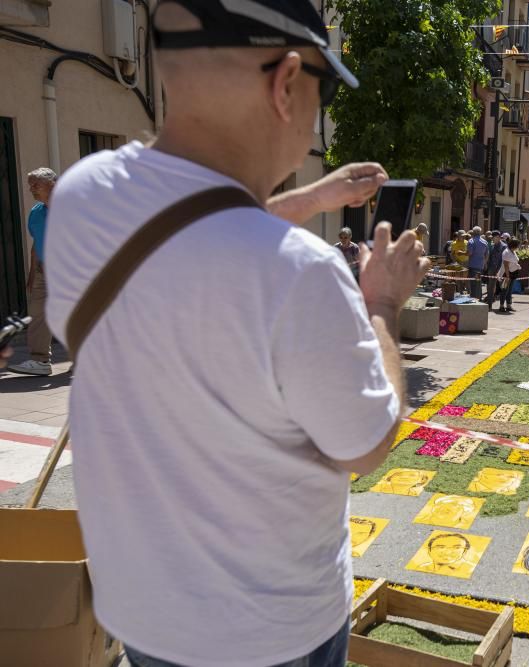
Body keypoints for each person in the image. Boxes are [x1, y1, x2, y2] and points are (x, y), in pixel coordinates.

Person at [43, 2, 430, 666]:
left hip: (145, 619)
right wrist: (383, 306)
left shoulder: (82, 197)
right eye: (323, 88)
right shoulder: (299, 273)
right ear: (285, 83)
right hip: (271, 632)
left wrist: (310, 200)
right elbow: (367, 443)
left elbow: (196, 239)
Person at [8, 167, 57, 376]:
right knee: (37, 314)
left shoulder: (72, 207)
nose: (31, 188)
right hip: (41, 273)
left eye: (35, 184)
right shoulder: (36, 212)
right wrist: (31, 273)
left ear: (52, 184)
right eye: (30, 184)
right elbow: (36, 243)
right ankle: (40, 360)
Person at [496, 238, 520, 313]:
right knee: (504, 290)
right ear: (514, 245)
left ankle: (509, 305)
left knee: (509, 290)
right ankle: (501, 306)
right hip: (506, 274)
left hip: (512, 273)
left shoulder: (513, 251)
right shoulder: (506, 252)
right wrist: (507, 276)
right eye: (517, 245)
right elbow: (506, 265)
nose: (518, 246)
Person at [465, 226, 488, 300]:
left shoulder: (471, 241)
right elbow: (487, 254)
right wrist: (485, 263)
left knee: (473, 282)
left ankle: (474, 297)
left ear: (473, 232)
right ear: (480, 232)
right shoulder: (485, 242)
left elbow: (469, 253)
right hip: (480, 265)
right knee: (478, 281)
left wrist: (462, 253)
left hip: (473, 265)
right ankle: (479, 297)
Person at [485, 231, 506, 307]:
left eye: (493, 238)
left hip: (501, 270)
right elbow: (490, 257)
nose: (492, 240)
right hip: (492, 269)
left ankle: (502, 305)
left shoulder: (504, 246)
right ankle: (489, 303)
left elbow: (504, 259)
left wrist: (500, 270)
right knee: (490, 286)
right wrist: (488, 266)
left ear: (497, 237)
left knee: (503, 287)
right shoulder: (492, 246)